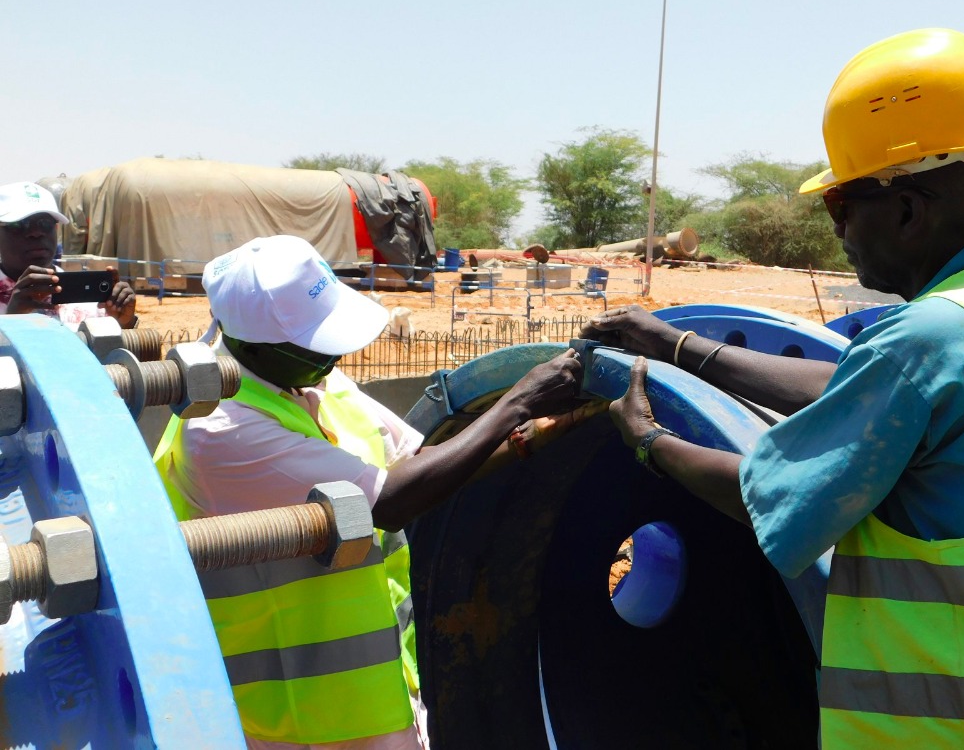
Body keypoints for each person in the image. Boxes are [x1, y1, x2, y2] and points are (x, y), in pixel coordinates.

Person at [584, 28, 964, 748]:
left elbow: (767, 501)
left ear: (908, 210)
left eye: (840, 206)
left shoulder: (927, 340)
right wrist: (680, 345)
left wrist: (649, 441)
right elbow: (864, 392)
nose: (839, 230)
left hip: (941, 731)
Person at [154, 234, 583, 750]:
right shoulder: (221, 431)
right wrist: (516, 402)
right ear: (251, 344)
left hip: (376, 682)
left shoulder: (305, 377)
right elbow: (389, 502)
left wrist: (527, 438)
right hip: (299, 709)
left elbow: (419, 463)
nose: (334, 358)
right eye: (316, 345)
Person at [0, 181, 137, 328]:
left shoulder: (87, 299)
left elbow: (106, 349)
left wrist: (123, 324)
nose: (36, 232)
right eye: (19, 224)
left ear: (56, 229)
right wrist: (11, 320)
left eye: (45, 223)